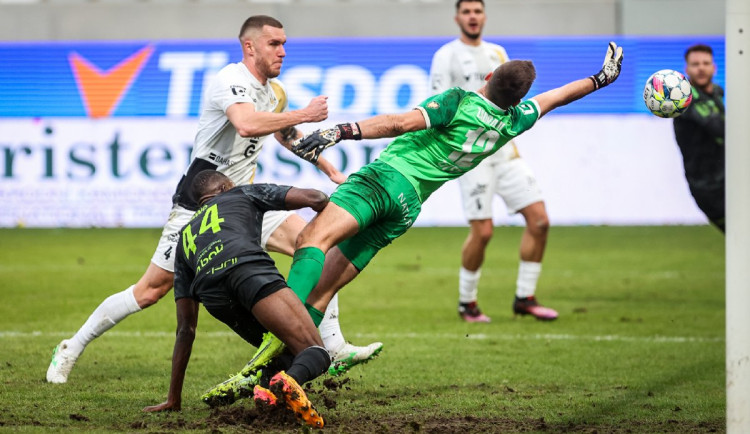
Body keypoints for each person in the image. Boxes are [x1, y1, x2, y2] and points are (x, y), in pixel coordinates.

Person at [46, 15, 382, 386]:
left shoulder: (275, 93)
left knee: (314, 243)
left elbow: (286, 135)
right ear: (249, 46)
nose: (283, 51)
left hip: (245, 203)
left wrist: (329, 169)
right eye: (274, 44)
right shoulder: (230, 80)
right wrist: (307, 113)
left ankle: (332, 346)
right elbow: (248, 125)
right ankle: (70, 347)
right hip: (200, 206)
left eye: (285, 44)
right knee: (150, 290)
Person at [245, 42, 624, 364]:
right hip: (408, 206)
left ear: (488, 78)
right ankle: (289, 366)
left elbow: (399, 124)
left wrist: (341, 131)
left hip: (385, 180)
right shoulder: (515, 121)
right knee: (325, 290)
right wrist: (600, 79)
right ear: (519, 99)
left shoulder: (458, 101)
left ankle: (277, 331)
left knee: (312, 241)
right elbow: (556, 97)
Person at [143, 170, 328, 428]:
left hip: (215, 297)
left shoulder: (184, 238)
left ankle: (269, 396)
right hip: (248, 271)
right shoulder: (242, 192)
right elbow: (316, 197)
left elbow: (185, 328)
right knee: (315, 352)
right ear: (226, 186)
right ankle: (286, 382)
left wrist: (173, 398)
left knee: (282, 351)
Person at [429, 0, 557, 322]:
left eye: (478, 11)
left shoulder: (498, 52)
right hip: (474, 155)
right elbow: (437, 103)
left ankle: (525, 298)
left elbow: (513, 101)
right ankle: (467, 304)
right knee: (483, 232)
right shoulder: (446, 56)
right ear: (457, 17)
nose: (473, 17)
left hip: (506, 152)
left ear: (484, 16)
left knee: (540, 221)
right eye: (467, 12)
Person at [673, 44, 725, 233]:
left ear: (714, 67)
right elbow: (720, 129)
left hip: (730, 177)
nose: (701, 68)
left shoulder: (717, 93)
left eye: (706, 63)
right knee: (742, 238)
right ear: (687, 70)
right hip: (709, 188)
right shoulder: (684, 100)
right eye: (695, 64)